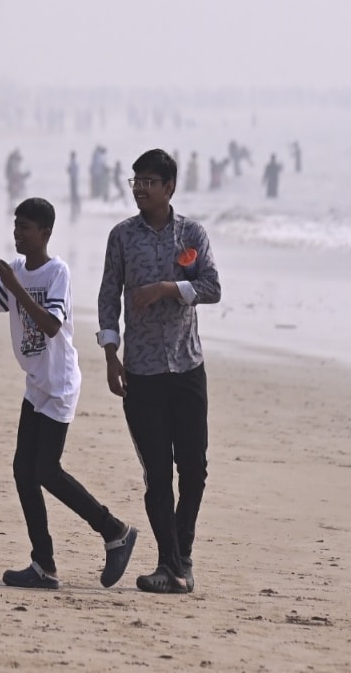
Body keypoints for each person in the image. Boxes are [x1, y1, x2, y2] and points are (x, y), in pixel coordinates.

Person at [0, 197, 138, 590]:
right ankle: (43, 564)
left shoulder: (55, 272)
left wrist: (15, 288)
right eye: (15, 225)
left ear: (45, 233)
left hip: (60, 384)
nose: (17, 233)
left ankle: (115, 531)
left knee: (46, 470)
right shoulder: (14, 271)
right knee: (22, 471)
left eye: (25, 227)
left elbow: (48, 324)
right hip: (35, 384)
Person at [97, 149, 221, 594]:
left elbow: (212, 287)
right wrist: (110, 354)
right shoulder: (122, 237)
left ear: (169, 187)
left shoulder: (191, 233)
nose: (141, 189)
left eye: (149, 181)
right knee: (157, 473)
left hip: (188, 367)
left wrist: (169, 287)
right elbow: (108, 297)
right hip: (142, 372)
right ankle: (169, 564)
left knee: (195, 469)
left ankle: (181, 557)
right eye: (136, 182)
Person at [66, 151, 80, 222]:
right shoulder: (74, 162)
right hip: (74, 178)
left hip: (73, 178)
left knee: (74, 191)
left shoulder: (73, 162)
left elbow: (69, 170)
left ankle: (76, 202)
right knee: (74, 191)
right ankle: (75, 203)